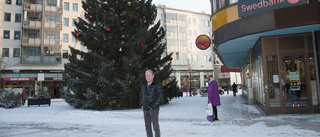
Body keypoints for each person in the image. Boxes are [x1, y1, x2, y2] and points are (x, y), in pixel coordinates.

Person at [140, 69, 164, 137]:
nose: (148, 77)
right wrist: (141, 104)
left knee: (155, 127)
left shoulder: (157, 84)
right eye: (146, 76)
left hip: (153, 109)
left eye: (149, 75)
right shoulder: (144, 84)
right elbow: (141, 95)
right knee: (147, 127)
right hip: (145, 108)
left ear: (153, 76)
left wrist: (153, 106)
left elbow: (160, 97)